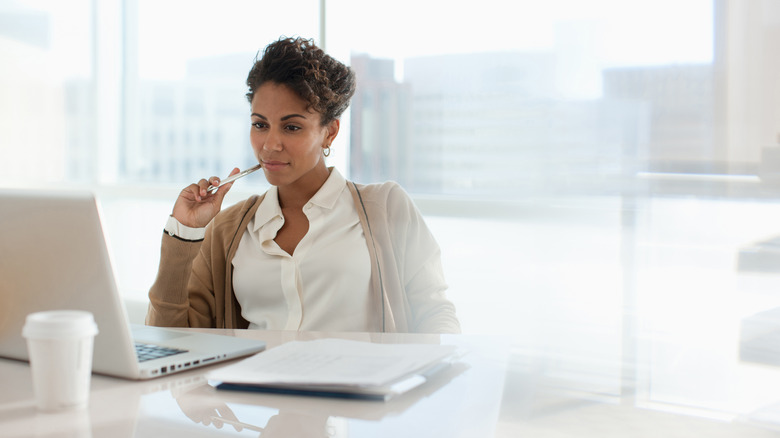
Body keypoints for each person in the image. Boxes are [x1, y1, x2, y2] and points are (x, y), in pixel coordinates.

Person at [145, 37, 460, 334]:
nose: (270, 145)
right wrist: (185, 231)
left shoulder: (386, 207)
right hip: (253, 391)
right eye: (260, 125)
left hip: (355, 390)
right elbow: (171, 340)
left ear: (329, 132)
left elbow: (435, 315)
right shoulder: (228, 230)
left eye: (291, 127)